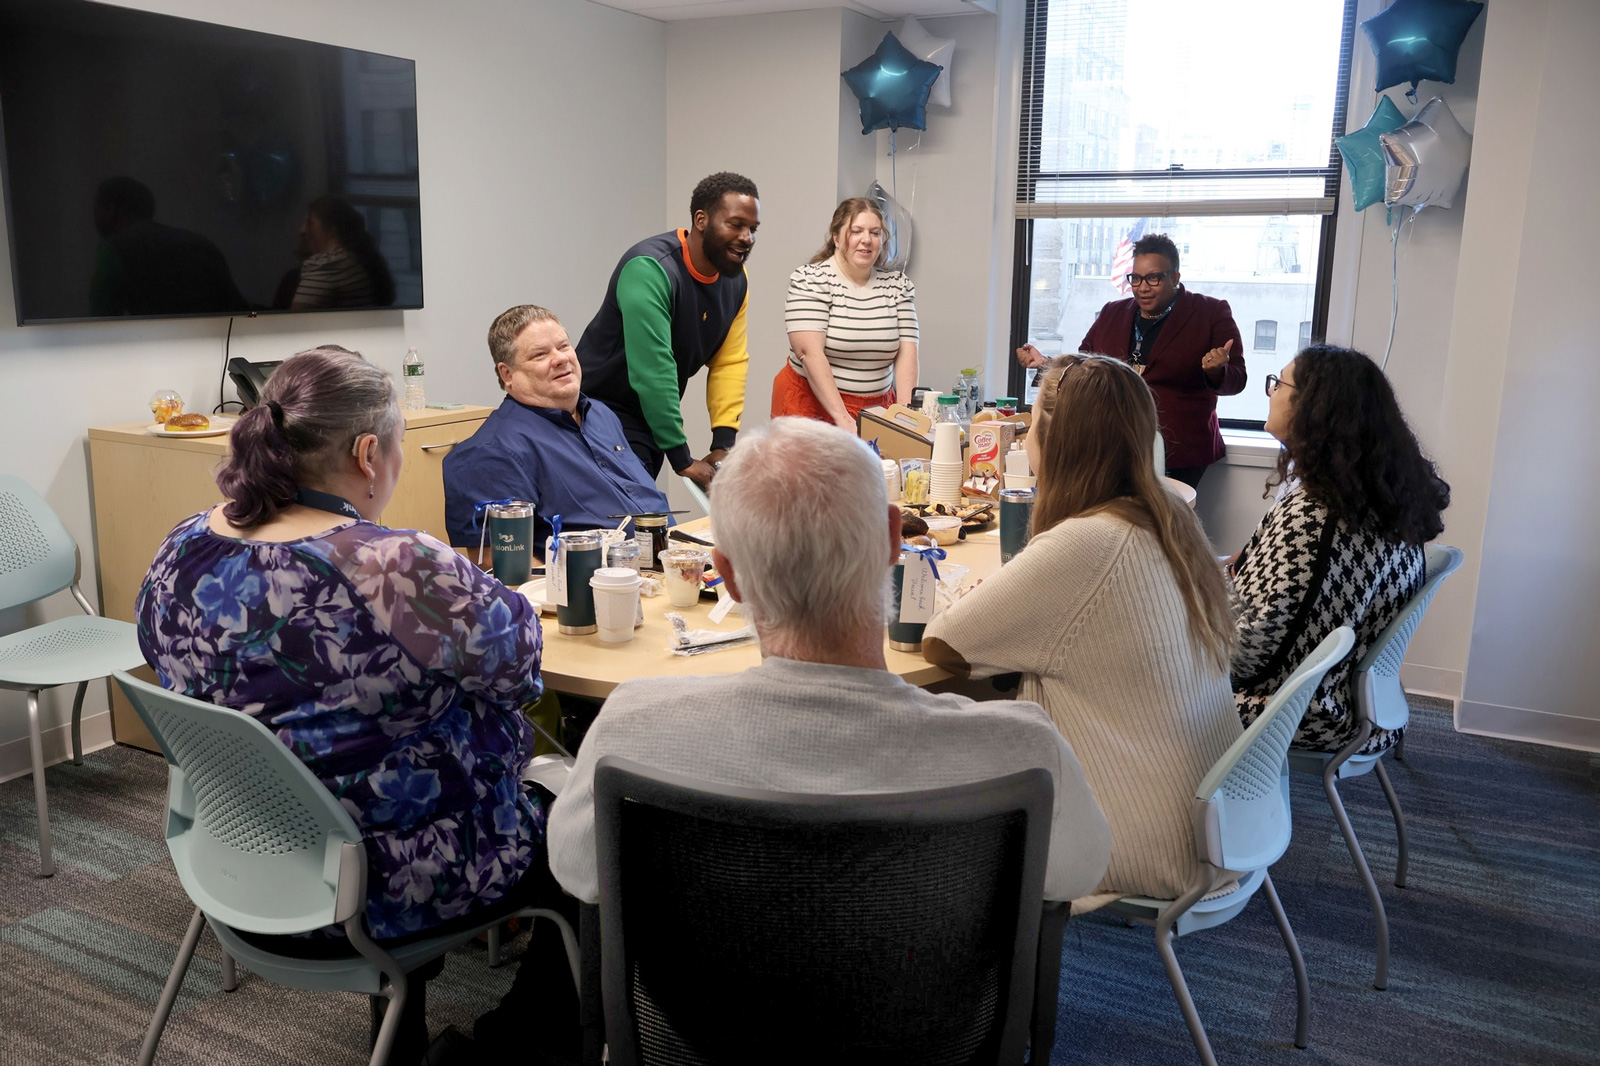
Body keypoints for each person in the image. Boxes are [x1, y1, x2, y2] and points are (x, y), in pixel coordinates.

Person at [135, 346, 572, 1065]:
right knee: (597, 833)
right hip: (384, 877)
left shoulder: (181, 545)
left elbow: (168, 658)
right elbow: (522, 671)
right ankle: (515, 1048)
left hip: (233, 862)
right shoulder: (391, 565)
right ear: (369, 452)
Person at [546, 417, 1111, 906]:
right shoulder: (1021, 751)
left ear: (729, 574)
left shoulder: (631, 733)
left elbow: (576, 871)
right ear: (895, 538)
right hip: (940, 1031)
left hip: (695, 1031)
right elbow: (1076, 874)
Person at [922, 354, 1242, 911]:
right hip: (1210, 816)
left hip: (1141, 837)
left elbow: (944, 645)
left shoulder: (1086, 544)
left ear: (1050, 439)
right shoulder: (1165, 512)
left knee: (933, 768)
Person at [1230, 344, 1450, 755]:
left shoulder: (1316, 516)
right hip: (1343, 696)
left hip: (1297, 710)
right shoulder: (1373, 497)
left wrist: (1178, 640)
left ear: (1315, 408)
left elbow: (1251, 656)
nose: (1272, 391)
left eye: (1279, 383)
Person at [444, 304, 672, 559]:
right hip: (596, 588)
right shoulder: (491, 453)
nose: (562, 358)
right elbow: (502, 568)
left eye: (564, 346)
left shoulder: (600, 414)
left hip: (670, 560)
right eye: (540, 354)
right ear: (507, 374)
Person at [1017, 233, 1245, 488]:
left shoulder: (1209, 312)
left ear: (1175, 278)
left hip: (1179, 449)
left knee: (1164, 523)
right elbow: (1085, 367)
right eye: (1136, 278)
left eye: (1153, 278)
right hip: (1114, 444)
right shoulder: (1113, 312)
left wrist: (1216, 371)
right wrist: (1046, 364)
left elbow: (1237, 380)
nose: (1143, 287)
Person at [576, 172, 759, 490]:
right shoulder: (650, 268)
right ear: (701, 219)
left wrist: (724, 443)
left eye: (752, 229)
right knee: (630, 521)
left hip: (648, 419)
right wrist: (683, 458)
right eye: (735, 224)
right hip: (597, 410)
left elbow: (729, 361)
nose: (747, 237)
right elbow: (653, 371)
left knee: (642, 521)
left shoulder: (736, 280)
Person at [771, 197, 918, 430]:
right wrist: (842, 418)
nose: (866, 240)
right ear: (837, 237)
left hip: (876, 407)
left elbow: (907, 352)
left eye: (875, 232)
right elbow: (809, 353)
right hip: (811, 405)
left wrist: (906, 414)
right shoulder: (811, 280)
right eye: (856, 231)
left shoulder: (897, 285)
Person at [89, 175, 248, 316]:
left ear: (109, 209)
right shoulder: (200, 243)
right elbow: (240, 311)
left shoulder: (113, 249)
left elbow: (100, 325)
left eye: (96, 209)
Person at [290, 195, 397, 310]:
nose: (302, 229)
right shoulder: (356, 258)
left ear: (332, 229)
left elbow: (297, 321)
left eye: (310, 223)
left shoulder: (328, 267)